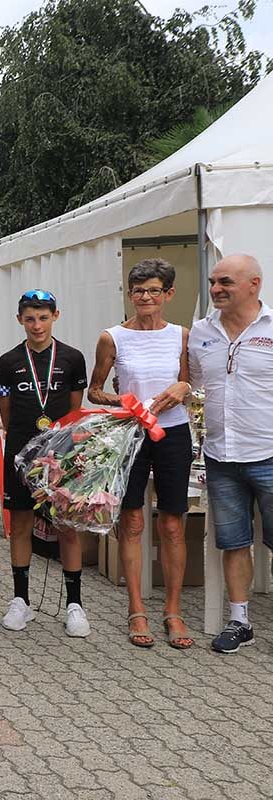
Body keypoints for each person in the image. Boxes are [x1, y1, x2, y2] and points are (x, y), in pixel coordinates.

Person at [89, 258, 193, 649]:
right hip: (132, 432)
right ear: (129, 294)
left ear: (168, 294)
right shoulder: (112, 337)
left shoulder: (181, 335)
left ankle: (173, 610)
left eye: (153, 290)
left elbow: (188, 381)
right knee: (132, 521)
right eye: (138, 291)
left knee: (171, 523)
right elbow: (95, 389)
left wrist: (182, 389)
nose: (145, 297)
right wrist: (123, 401)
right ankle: (136, 608)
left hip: (174, 432)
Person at [188, 254, 273, 653]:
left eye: (226, 282)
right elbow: (197, 385)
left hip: (269, 453)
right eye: (213, 281)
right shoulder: (200, 332)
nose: (217, 289)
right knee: (233, 541)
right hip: (221, 457)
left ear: (254, 285)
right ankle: (240, 621)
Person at [0, 290, 90, 636]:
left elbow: (75, 411)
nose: (37, 325)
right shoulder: (7, 362)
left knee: (67, 526)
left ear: (56, 316)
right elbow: (6, 415)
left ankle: (74, 604)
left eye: (44, 317)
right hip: (21, 453)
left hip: (62, 454)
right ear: (20, 319)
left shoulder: (72, 358)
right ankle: (21, 601)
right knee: (20, 524)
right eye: (30, 318)